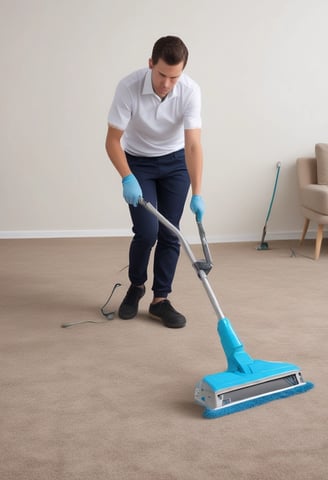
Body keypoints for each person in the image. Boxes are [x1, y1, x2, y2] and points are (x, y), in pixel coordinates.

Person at [105, 35, 205, 328]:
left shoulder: (190, 91)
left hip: (175, 164)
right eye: (162, 75)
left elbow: (193, 146)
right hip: (138, 163)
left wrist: (198, 192)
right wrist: (127, 177)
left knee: (170, 232)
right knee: (147, 233)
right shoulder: (129, 87)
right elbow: (112, 141)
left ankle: (160, 299)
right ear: (151, 64)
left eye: (175, 77)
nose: (167, 84)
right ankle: (136, 287)